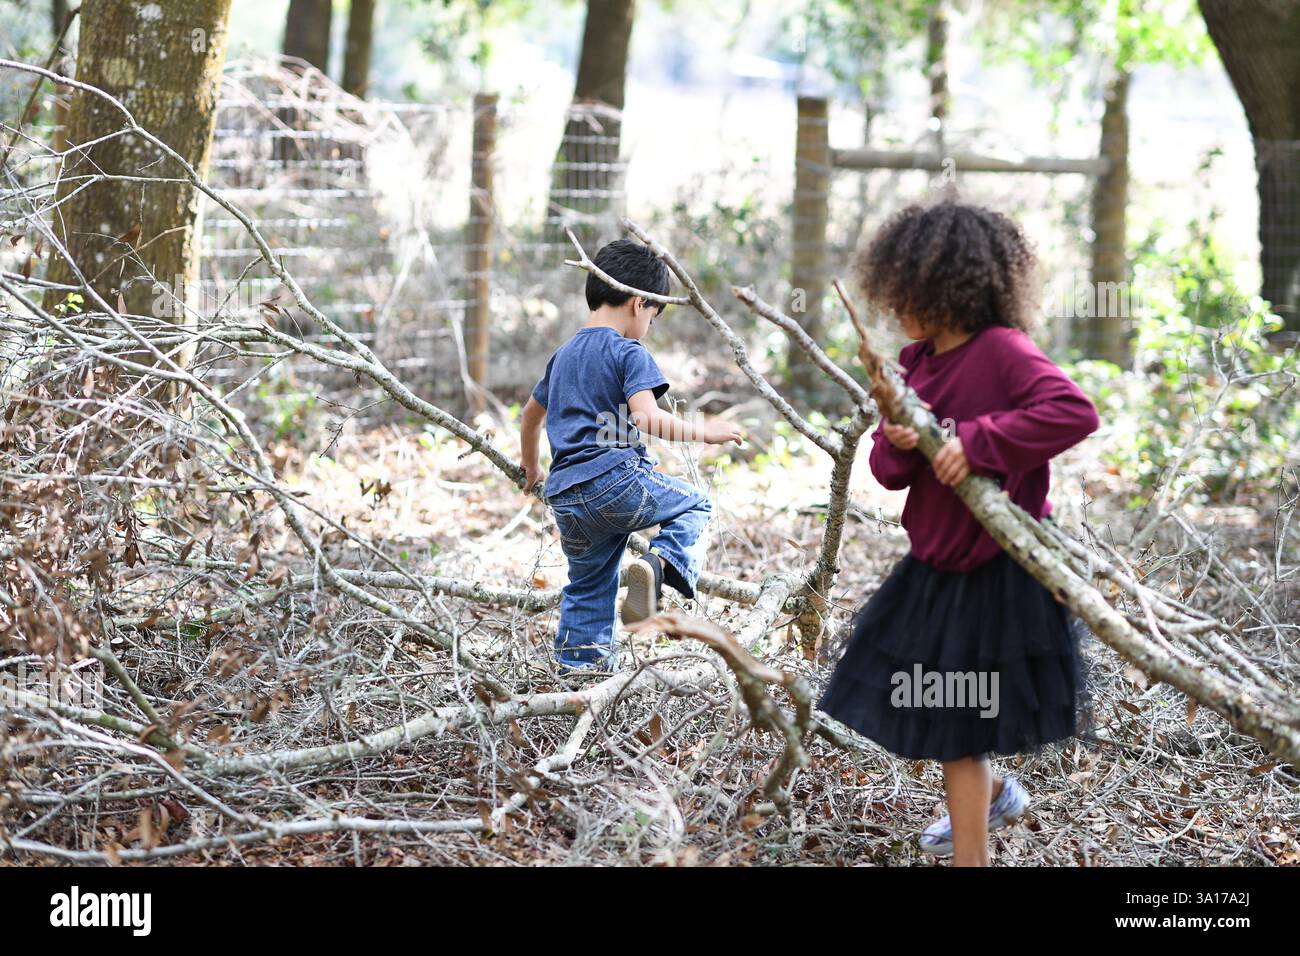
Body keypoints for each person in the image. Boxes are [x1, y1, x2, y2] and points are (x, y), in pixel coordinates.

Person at [818, 200, 1100, 866]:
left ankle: (972, 854)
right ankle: (995, 794)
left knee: (958, 731)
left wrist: (978, 442)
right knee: (934, 710)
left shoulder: (1003, 353)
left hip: (999, 573)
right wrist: (899, 441)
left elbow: (1073, 411)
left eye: (908, 292)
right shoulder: (916, 364)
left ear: (946, 288)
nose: (895, 308)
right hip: (933, 572)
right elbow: (890, 473)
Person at [519, 239, 744, 673]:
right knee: (695, 505)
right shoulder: (628, 351)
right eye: (654, 318)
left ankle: (579, 681)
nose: (650, 328)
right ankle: (656, 569)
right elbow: (645, 416)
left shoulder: (561, 357)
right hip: (614, 482)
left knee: (587, 586)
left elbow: (531, 416)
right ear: (640, 304)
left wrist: (531, 466)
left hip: (567, 496)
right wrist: (706, 432)